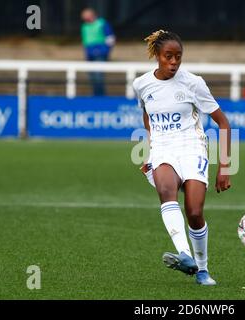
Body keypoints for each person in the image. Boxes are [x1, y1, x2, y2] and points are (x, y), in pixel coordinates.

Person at [133, 30, 231, 286]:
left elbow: (223, 123)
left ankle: (202, 269)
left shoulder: (193, 83)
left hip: (192, 148)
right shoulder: (142, 84)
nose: (174, 62)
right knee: (166, 191)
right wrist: (149, 148)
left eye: (178, 57)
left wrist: (225, 166)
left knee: (195, 212)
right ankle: (185, 255)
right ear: (157, 55)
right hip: (163, 149)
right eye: (169, 56)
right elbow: (147, 116)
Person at [80, 8, 116, 96]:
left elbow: (110, 39)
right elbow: (86, 41)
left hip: (100, 54)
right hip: (89, 54)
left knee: (98, 76)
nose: (84, 18)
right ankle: (95, 95)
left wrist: (105, 51)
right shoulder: (84, 26)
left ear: (92, 15)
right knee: (92, 76)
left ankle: (100, 96)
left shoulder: (102, 23)